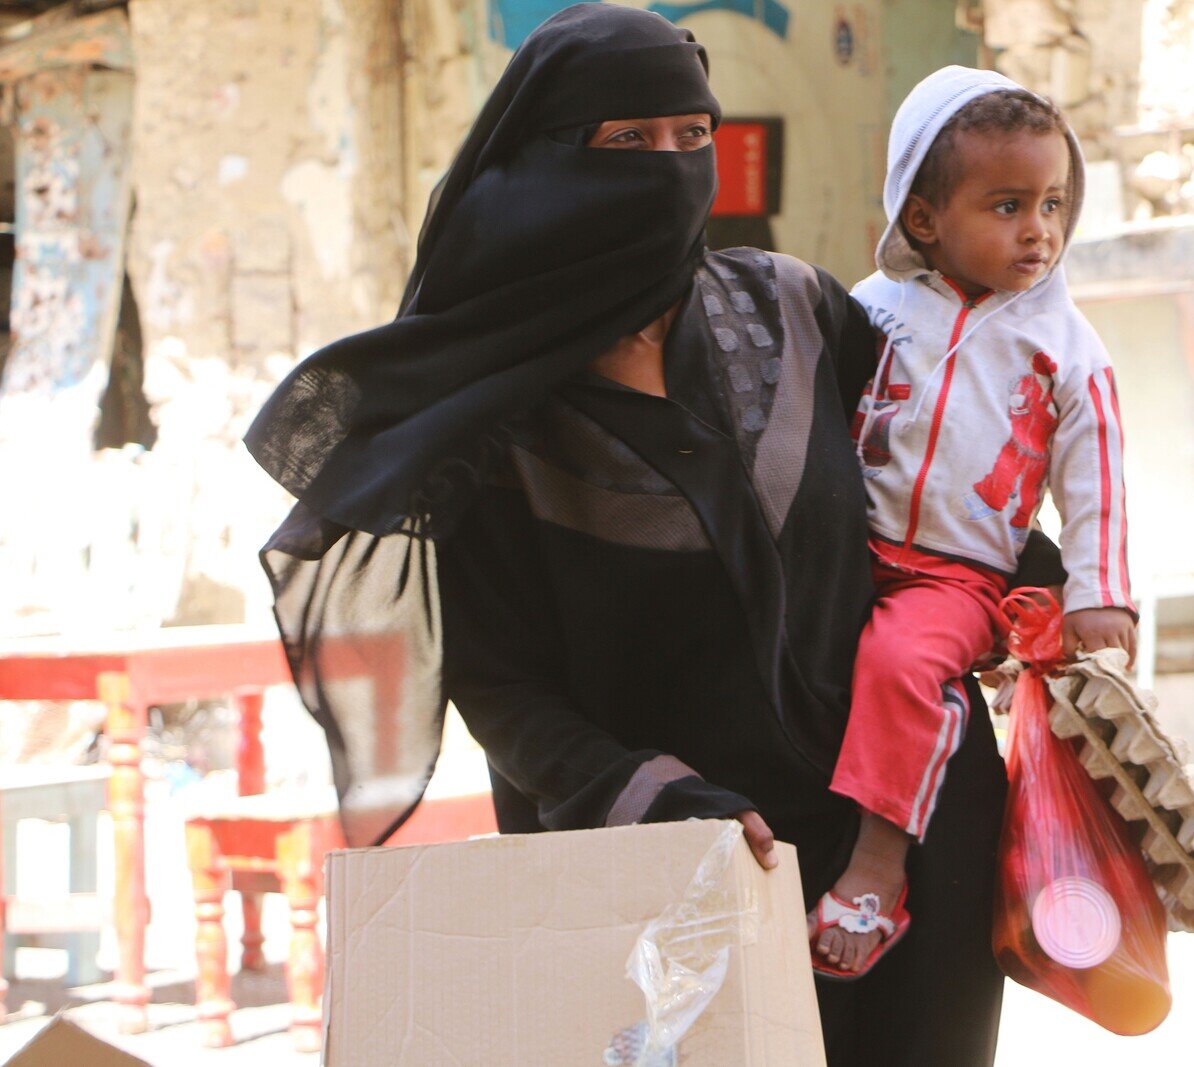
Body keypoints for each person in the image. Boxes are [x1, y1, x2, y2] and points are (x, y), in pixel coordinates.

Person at [245, 7, 1056, 1065]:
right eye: (627, 140)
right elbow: (500, 689)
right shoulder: (487, 419)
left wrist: (1040, 588)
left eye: (693, 134)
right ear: (538, 165)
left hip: (910, 839)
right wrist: (659, 799)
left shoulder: (800, 310)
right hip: (675, 885)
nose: (671, 165)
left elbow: (938, 492)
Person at [812, 67, 1138, 977]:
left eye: (1053, 203)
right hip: (840, 548)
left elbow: (1096, 475)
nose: (1039, 230)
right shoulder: (866, 313)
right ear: (924, 218)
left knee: (902, 665)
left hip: (954, 575)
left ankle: (876, 870)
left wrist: (1099, 594)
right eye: (1007, 205)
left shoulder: (1066, 348)